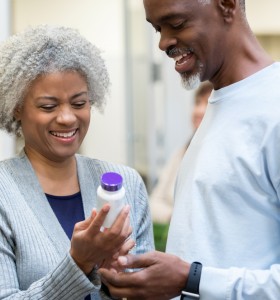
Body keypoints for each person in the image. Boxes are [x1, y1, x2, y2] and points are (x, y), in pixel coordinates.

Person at [99, 0, 280, 299]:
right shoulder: (219, 105)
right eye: (157, 28)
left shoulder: (272, 105)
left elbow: (195, 275)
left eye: (177, 23)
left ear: (227, 5)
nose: (163, 42)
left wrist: (192, 279)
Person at [0, 25, 154, 299]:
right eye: (48, 106)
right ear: (17, 107)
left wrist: (119, 280)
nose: (68, 118)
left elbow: (146, 290)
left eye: (79, 103)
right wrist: (79, 263)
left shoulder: (126, 183)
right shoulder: (4, 193)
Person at [150, 82, 212, 225]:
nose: (199, 111)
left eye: (208, 104)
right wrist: (172, 217)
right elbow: (154, 202)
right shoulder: (181, 153)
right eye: (197, 103)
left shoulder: (223, 158)